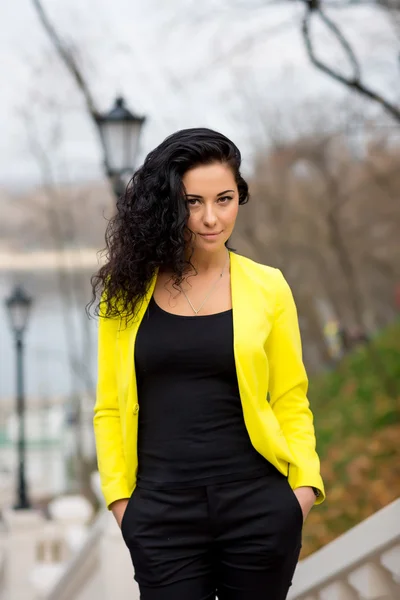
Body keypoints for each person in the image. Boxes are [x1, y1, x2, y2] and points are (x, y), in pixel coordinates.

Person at [90, 128, 325, 600]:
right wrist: (122, 504)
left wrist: (302, 490)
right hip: (161, 515)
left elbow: (289, 398)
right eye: (193, 202)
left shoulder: (269, 287)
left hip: (259, 506)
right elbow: (110, 408)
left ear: (240, 196)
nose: (211, 217)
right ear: (168, 206)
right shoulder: (127, 293)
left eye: (225, 198)